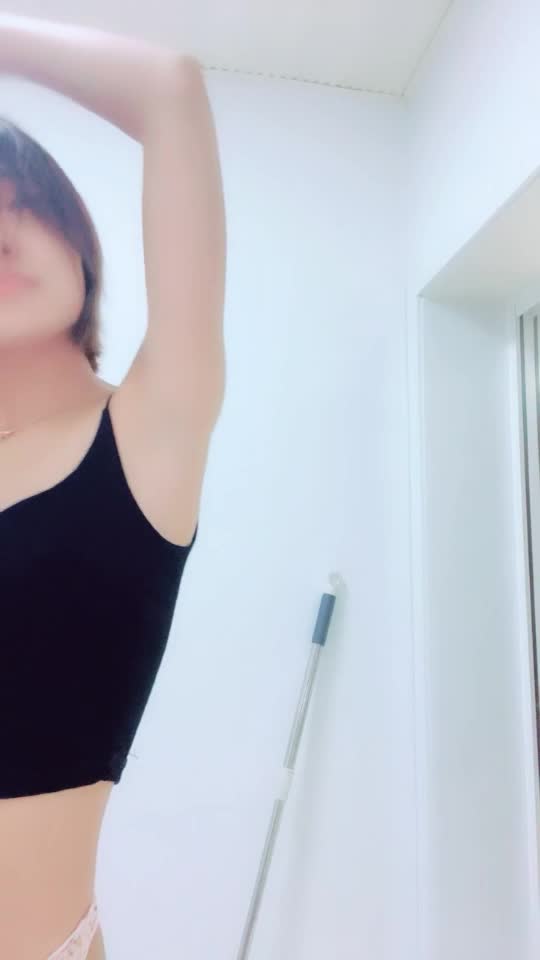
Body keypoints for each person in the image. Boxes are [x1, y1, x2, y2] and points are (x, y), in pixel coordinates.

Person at [0, 17, 226, 960]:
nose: (1, 233)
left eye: (22, 203)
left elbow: (169, 89)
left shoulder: (146, 429)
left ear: (78, 238)